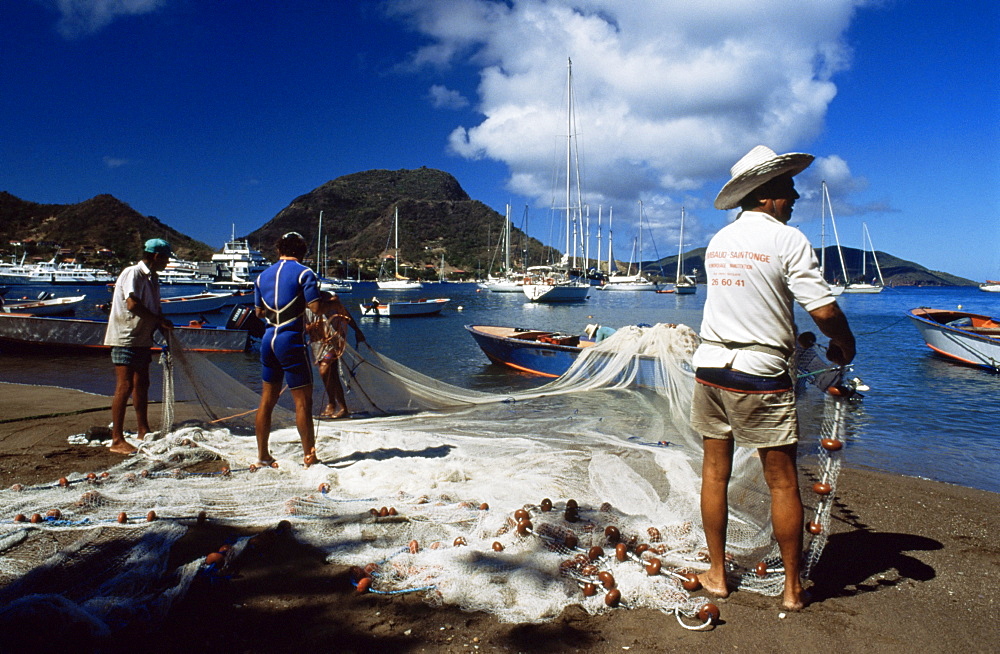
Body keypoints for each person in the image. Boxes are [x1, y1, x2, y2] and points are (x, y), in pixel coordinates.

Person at [690, 145, 856, 611]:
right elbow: (822, 309)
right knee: (782, 481)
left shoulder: (718, 242)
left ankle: (718, 575)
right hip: (759, 375)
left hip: (710, 367)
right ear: (766, 195)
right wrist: (846, 343)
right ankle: (792, 589)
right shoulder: (788, 240)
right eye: (788, 188)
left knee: (713, 473)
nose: (796, 196)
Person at [254, 232, 323, 467]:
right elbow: (315, 306)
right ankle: (309, 457)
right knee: (303, 402)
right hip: (290, 339)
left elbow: (259, 312)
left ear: (278, 250)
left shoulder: (262, 276)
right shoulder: (305, 273)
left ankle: (263, 454)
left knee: (267, 401)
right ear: (302, 252)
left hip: (268, 339)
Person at [103, 238, 174, 454]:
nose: (167, 262)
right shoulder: (132, 273)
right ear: (155, 256)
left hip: (142, 338)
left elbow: (155, 309)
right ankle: (117, 439)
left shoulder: (153, 279)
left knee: (142, 383)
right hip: (125, 336)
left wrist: (162, 324)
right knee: (124, 386)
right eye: (166, 258)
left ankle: (143, 430)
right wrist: (156, 320)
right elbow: (132, 304)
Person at [306, 291, 365, 419]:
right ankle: (338, 405)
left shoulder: (328, 298)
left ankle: (334, 404)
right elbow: (303, 327)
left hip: (334, 341)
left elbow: (344, 313)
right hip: (317, 343)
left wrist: (357, 330)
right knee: (331, 375)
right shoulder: (302, 303)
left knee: (324, 371)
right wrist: (310, 327)